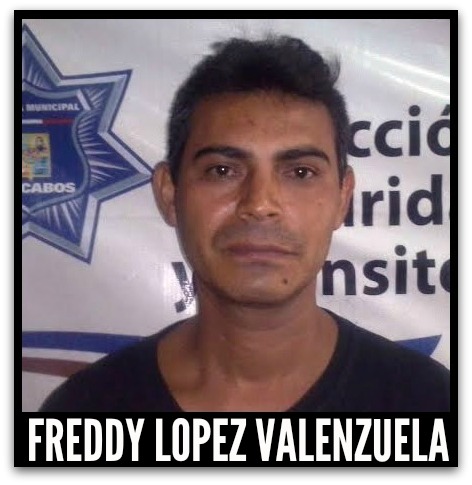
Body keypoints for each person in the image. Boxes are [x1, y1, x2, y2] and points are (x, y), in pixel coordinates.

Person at [40, 36, 449, 412]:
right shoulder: (85, 409)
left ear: (343, 199)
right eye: (222, 170)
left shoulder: (428, 401)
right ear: (169, 194)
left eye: (300, 173)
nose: (259, 204)